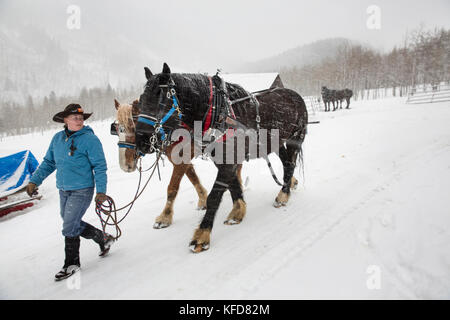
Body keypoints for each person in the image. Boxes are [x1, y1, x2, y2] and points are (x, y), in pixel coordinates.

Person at [26, 103, 114, 281]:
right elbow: (49, 162)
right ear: (65, 120)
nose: (79, 120)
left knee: (69, 226)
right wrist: (35, 180)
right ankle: (103, 238)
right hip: (64, 189)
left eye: (81, 118)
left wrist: (101, 191)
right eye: (75, 117)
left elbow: (100, 167)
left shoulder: (90, 139)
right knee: (70, 222)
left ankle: (72, 264)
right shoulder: (57, 139)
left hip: (82, 189)